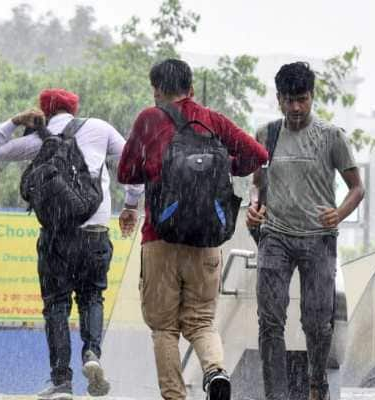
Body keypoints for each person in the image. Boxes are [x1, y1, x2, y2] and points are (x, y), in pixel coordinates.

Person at [117, 58, 268, 400]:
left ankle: (174, 396)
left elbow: (126, 173)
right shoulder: (212, 119)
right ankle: (215, 371)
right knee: (201, 321)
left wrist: (156, 167)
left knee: (164, 327)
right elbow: (257, 155)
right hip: (206, 238)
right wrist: (226, 165)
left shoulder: (149, 119)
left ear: (156, 89)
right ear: (192, 89)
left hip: (160, 238)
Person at [0, 88, 144, 400]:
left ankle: (61, 382)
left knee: (56, 305)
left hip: (57, 234)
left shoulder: (39, 139)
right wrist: (130, 205)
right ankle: (92, 354)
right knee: (91, 297)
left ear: (44, 111)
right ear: (75, 107)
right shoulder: (100, 127)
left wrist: (16, 120)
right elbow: (134, 167)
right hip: (95, 231)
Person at [246, 62, 365, 400]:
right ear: (279, 99)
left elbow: (357, 188)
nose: (296, 108)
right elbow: (256, 183)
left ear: (312, 97)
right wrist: (255, 206)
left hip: (318, 239)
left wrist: (339, 214)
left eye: (302, 99)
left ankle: (317, 384)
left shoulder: (331, 136)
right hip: (276, 237)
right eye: (289, 100)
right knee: (270, 322)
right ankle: (277, 395)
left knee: (316, 322)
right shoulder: (267, 134)